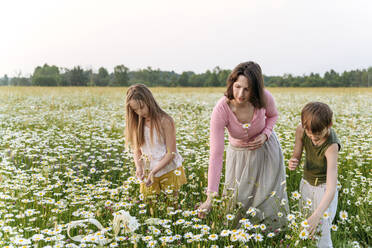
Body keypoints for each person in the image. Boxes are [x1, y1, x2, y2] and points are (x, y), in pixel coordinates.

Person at [198, 61, 288, 229]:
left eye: (247, 89)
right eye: (237, 86)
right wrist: (211, 196)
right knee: (236, 202)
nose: (240, 94)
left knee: (268, 196)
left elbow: (273, 116)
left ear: (255, 89)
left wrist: (265, 134)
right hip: (238, 155)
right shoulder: (221, 109)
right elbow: (216, 154)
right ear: (232, 83)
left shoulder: (264, 98)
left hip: (267, 151)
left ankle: (272, 235)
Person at [289, 102, 340, 248]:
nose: (313, 138)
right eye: (309, 133)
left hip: (324, 190)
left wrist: (318, 214)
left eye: (318, 134)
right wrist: (294, 161)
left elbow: (331, 188)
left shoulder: (331, 146)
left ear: (329, 125)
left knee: (322, 231)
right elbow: (296, 154)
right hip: (306, 183)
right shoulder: (301, 130)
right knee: (306, 226)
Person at [125, 84, 187, 199]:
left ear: (149, 101)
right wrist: (139, 167)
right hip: (148, 172)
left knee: (171, 206)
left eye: (142, 107)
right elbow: (137, 150)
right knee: (150, 207)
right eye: (135, 110)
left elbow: (171, 153)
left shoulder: (165, 121)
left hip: (168, 170)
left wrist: (154, 172)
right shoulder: (137, 123)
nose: (139, 112)